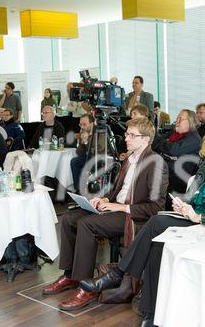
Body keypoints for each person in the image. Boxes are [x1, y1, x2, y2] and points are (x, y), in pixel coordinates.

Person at [79, 121, 205, 325]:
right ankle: (150, 314)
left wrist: (200, 217)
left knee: (156, 222)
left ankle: (121, 275)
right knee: (156, 245)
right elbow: (192, 199)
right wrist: (183, 206)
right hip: (192, 222)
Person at [43, 118, 169, 311]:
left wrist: (119, 207)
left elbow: (155, 207)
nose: (126, 138)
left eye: (131, 135)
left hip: (132, 215)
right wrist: (104, 200)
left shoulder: (156, 163)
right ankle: (70, 275)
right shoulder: (130, 159)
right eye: (127, 133)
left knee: (87, 224)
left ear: (145, 139)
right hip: (116, 207)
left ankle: (87, 287)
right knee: (68, 219)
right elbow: (119, 191)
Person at [152, 109, 202, 194]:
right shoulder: (175, 133)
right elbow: (155, 141)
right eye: (177, 119)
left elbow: (173, 150)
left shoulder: (194, 139)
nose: (177, 122)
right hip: (166, 173)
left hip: (179, 181)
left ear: (190, 122)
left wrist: (165, 147)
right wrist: (167, 147)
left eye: (180, 119)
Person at [71, 114, 98, 192]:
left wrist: (87, 141)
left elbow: (97, 150)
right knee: (74, 161)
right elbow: (80, 153)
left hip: (99, 156)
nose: (82, 127)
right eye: (80, 124)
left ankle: (91, 189)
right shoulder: (83, 131)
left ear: (91, 124)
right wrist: (82, 141)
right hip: (89, 156)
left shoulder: (99, 131)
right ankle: (79, 189)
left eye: (84, 124)